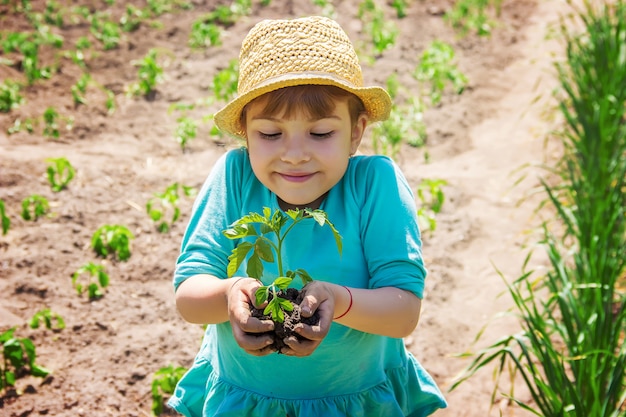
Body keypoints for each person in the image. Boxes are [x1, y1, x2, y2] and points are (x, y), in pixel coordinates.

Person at [168, 15, 447, 417]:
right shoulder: (233, 177)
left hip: (354, 400)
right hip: (246, 399)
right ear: (245, 133)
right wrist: (230, 294)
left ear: (356, 132)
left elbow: (403, 312)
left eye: (320, 134)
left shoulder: (375, 185)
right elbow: (189, 297)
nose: (296, 154)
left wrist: (338, 299)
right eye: (270, 134)